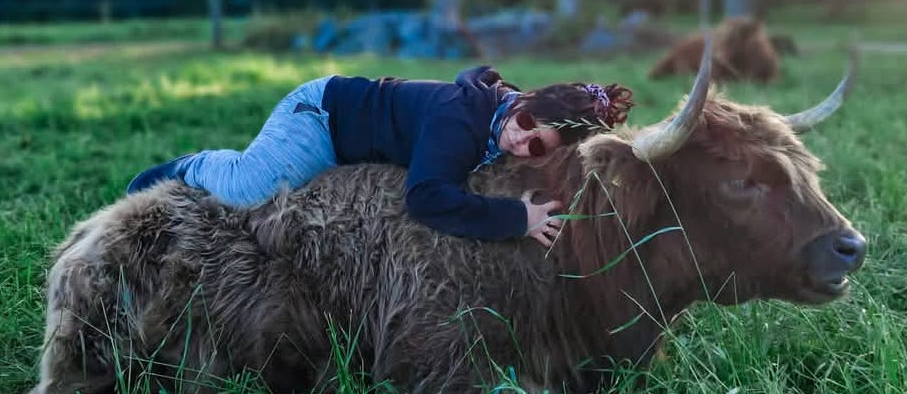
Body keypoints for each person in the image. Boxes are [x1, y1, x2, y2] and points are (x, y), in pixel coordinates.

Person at [126, 66, 633, 247]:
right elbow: (426, 197)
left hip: (346, 123)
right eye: (526, 125)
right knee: (249, 191)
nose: (524, 143)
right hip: (321, 119)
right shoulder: (460, 119)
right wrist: (514, 217)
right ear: (522, 102)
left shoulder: (498, 115)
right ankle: (186, 167)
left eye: (539, 144)